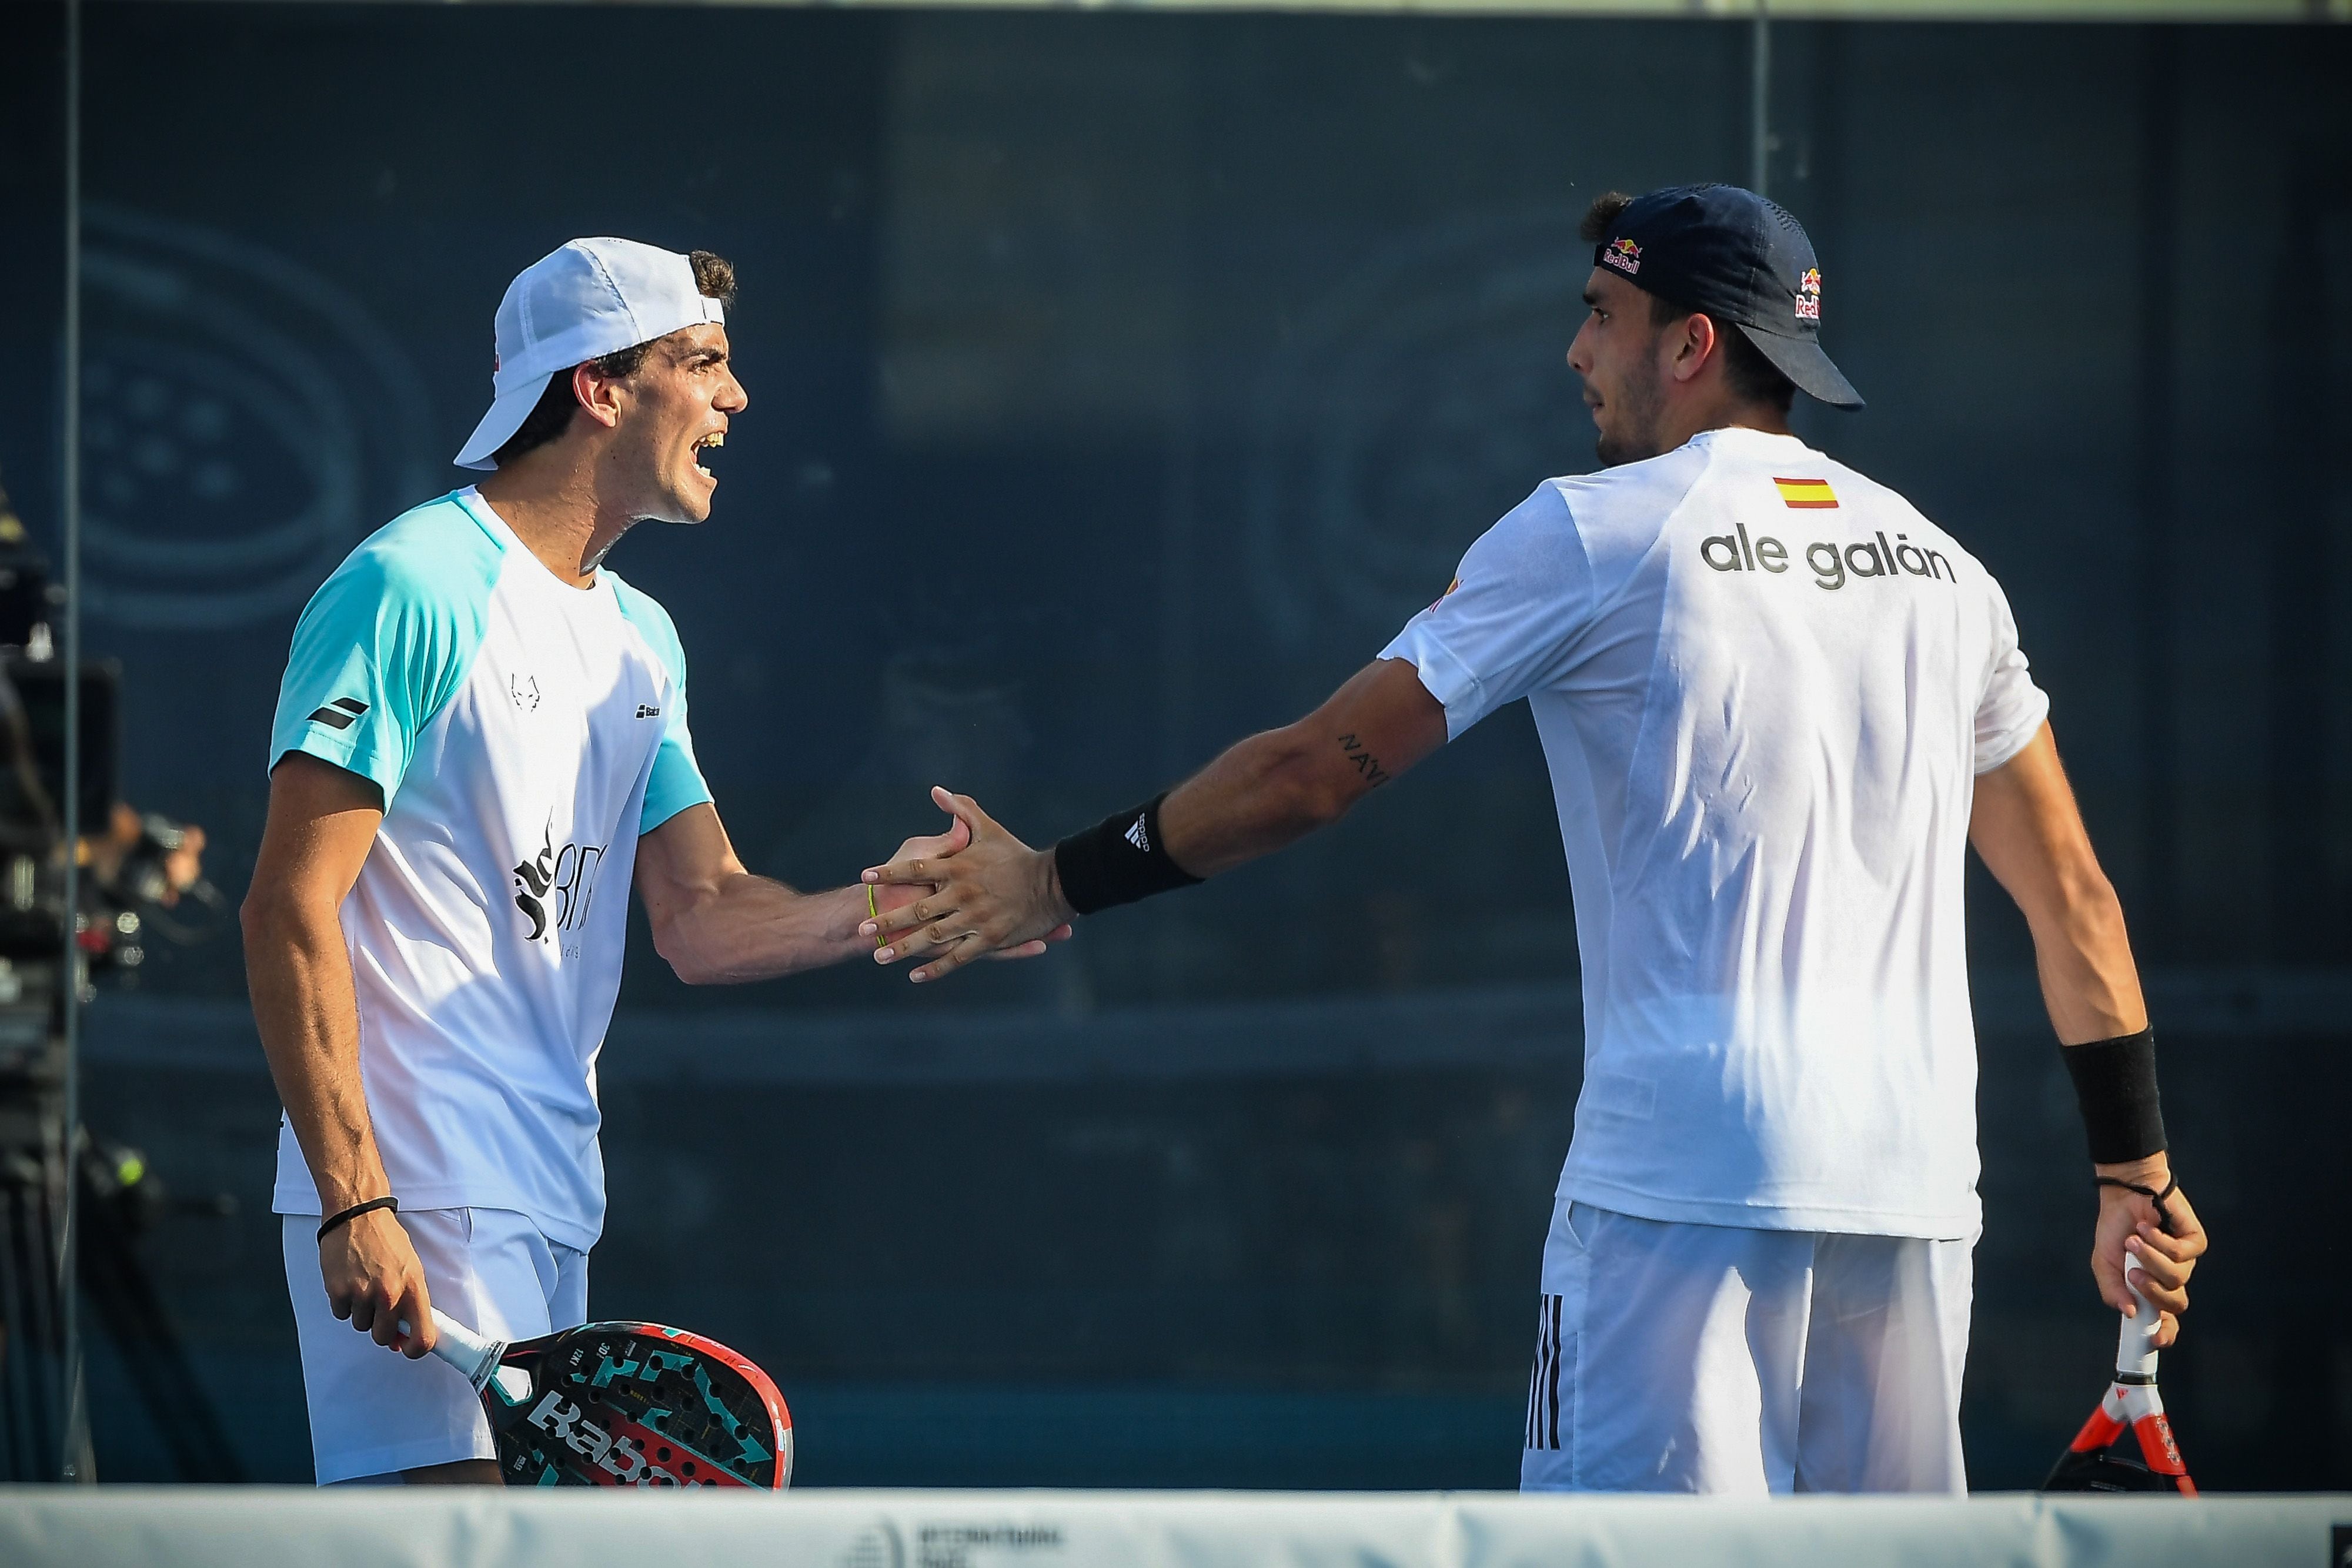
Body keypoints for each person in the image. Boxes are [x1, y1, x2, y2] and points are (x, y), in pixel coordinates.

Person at [855, 185, 2209, 1494]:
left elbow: (1307, 773)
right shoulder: (1945, 572)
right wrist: (2131, 1176)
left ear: (1691, 346)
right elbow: (2074, 902)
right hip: (1914, 1198)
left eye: (1599, 317)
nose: (1574, 351)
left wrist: (1051, 877)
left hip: (1675, 1191)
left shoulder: (1592, 531)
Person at [242, 239, 1060, 1486]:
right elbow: (289, 907)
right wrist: (358, 1198)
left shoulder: (639, 639)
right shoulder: (408, 586)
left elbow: (704, 911)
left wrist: (902, 904)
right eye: (704, 364)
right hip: (422, 1185)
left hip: (554, 1189)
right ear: (598, 388)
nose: (735, 400)